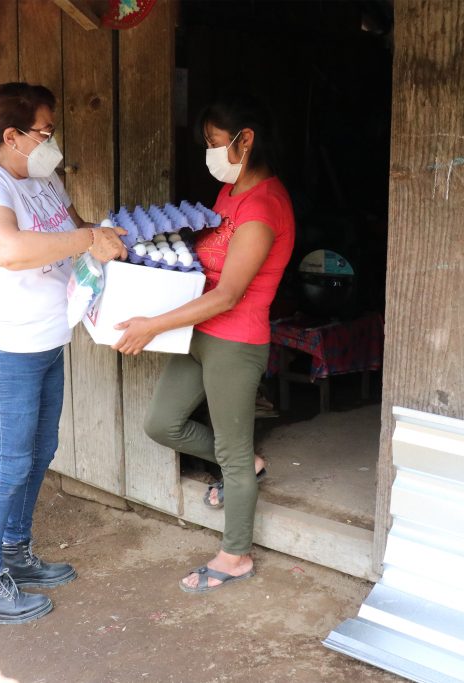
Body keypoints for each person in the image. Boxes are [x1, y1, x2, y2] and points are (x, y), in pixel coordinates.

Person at [0, 82, 127, 624]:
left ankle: (14, 553)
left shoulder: (39, 176)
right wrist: (88, 239)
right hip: (5, 345)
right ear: (12, 135)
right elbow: (6, 250)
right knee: (7, 462)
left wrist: (103, 242)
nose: (52, 142)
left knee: (40, 450)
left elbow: (75, 230)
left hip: (47, 336)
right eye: (44, 133)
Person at [113, 93, 295, 593]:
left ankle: (236, 555)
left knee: (232, 457)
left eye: (215, 143)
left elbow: (230, 294)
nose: (209, 153)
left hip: (234, 342)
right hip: (198, 333)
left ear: (246, 139)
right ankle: (247, 465)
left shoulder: (264, 207)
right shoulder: (231, 195)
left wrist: (153, 324)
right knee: (162, 423)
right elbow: (207, 259)